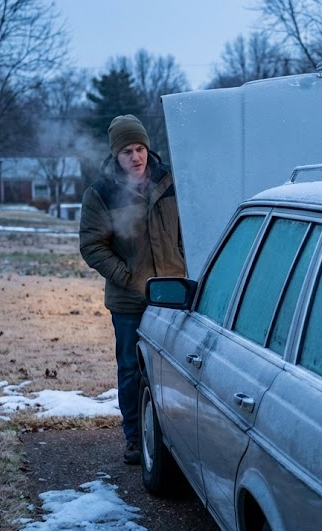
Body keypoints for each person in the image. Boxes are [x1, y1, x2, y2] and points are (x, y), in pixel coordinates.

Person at [79, 114, 186, 464]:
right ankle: (133, 438)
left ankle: (175, 434)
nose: (136, 157)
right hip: (129, 299)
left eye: (140, 148)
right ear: (116, 155)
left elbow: (193, 223)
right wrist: (126, 275)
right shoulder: (102, 192)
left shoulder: (173, 179)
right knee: (131, 368)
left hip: (174, 293)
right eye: (127, 151)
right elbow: (92, 246)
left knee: (176, 367)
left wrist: (185, 261)